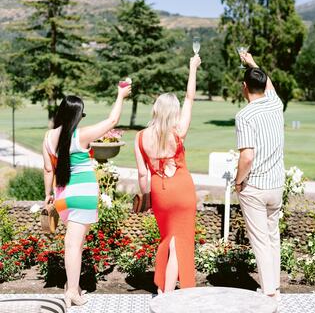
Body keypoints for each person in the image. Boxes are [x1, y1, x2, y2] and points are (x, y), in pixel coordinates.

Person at [42, 85, 131, 307]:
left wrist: (47, 196)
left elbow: (47, 170)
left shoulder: (48, 136)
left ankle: (72, 285)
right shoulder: (80, 135)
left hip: (63, 197)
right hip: (84, 196)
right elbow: (112, 121)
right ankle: (72, 291)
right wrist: (120, 95)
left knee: (74, 244)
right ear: (77, 115)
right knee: (74, 245)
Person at [134, 55, 201, 293]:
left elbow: (143, 174)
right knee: (179, 241)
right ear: (173, 112)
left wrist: (147, 198)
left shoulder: (140, 137)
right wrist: (192, 68)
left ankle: (165, 287)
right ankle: (168, 293)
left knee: (169, 239)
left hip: (160, 193)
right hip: (182, 190)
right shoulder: (178, 132)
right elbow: (190, 97)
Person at [234, 52, 284, 301]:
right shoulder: (276, 104)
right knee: (273, 236)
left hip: (254, 186)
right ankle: (274, 285)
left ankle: (269, 292)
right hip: (276, 186)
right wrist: (253, 63)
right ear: (264, 85)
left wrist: (238, 180)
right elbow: (270, 85)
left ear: (244, 87)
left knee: (261, 241)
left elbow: (247, 157)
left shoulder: (244, 115)